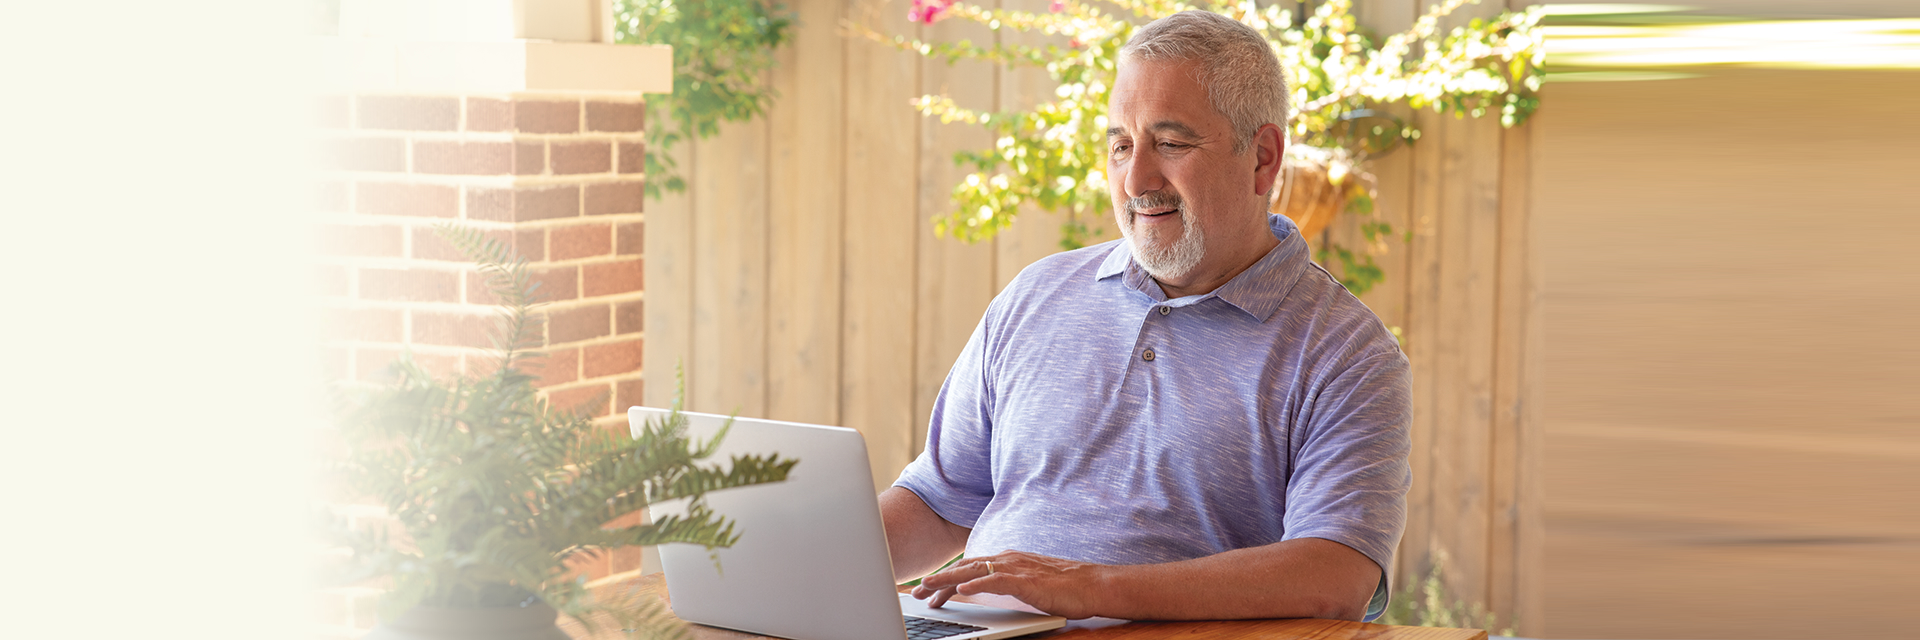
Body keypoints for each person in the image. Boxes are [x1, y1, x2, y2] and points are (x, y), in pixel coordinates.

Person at [879, 10, 1411, 623]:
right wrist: (785, 554)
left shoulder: (1347, 352)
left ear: (1263, 158)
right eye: (1121, 145)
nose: (1136, 179)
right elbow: (940, 503)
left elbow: (1333, 575)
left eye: (1172, 144)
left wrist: (1090, 588)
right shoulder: (1036, 295)